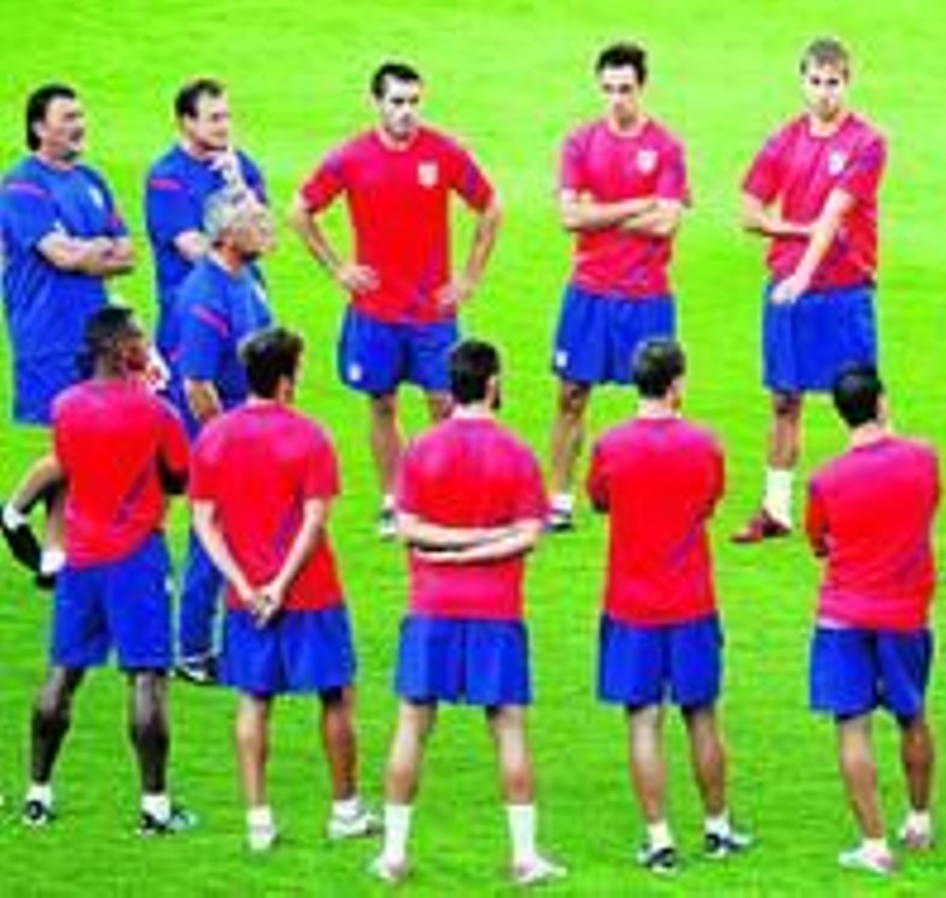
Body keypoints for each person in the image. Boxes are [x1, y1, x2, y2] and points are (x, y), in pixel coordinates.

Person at [371, 340, 564, 885]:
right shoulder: (516, 452)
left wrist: (453, 549)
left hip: (431, 606)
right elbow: (528, 534)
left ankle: (392, 855)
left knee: (412, 726)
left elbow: (406, 528)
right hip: (496, 611)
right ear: (493, 384)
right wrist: (482, 543)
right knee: (509, 729)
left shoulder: (422, 449)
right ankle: (524, 856)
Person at [289, 61, 503, 538]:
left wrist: (469, 278)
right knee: (381, 404)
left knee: (444, 406)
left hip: (432, 312)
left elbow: (491, 207)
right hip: (376, 311)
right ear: (377, 103)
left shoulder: (443, 152)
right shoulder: (351, 157)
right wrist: (338, 268)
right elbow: (299, 211)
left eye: (414, 102)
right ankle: (394, 499)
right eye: (397, 102)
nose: (407, 112)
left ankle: (443, 500)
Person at [189, 326, 378, 851]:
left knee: (253, 700)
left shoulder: (215, 436)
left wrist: (244, 583)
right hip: (311, 592)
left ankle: (259, 822)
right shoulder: (309, 436)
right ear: (286, 379)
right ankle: (345, 812)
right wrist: (280, 583)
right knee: (336, 695)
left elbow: (204, 522)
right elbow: (314, 521)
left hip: (245, 597)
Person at [21, 305, 194, 835]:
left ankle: (37, 795)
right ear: (120, 349)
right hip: (136, 558)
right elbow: (180, 478)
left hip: (81, 556)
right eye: (139, 337)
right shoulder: (157, 412)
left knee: (63, 673)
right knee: (147, 676)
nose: (147, 344)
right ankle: (155, 808)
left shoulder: (65, 407)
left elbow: (68, 470)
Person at [587, 338, 751, 874]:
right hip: (691, 603)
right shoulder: (704, 444)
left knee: (643, 721)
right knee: (702, 716)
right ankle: (718, 828)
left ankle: (659, 840)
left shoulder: (611, 445)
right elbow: (708, 502)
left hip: (630, 606)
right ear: (677, 382)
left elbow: (600, 500)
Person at [732, 37, 887, 543]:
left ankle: (874, 505)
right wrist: (796, 236)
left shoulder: (867, 144)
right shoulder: (783, 140)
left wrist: (804, 271)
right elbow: (748, 212)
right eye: (816, 82)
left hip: (843, 287)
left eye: (833, 82)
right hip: (787, 288)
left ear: (848, 83)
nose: (824, 92)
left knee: (861, 398)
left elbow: (836, 213)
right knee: (784, 398)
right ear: (802, 82)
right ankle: (776, 510)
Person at [547, 41, 689, 533]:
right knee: (570, 395)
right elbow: (569, 217)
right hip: (589, 292)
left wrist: (598, 213)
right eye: (608, 89)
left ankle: (660, 499)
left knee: (662, 401)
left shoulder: (667, 147)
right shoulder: (579, 143)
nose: (616, 99)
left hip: (647, 295)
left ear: (642, 87)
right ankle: (559, 501)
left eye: (625, 89)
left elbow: (666, 223)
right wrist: (637, 205)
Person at [805, 364, 940, 875]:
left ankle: (875, 844)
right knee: (912, 715)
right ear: (882, 402)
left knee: (852, 726)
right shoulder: (922, 458)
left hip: (844, 614)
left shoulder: (826, 479)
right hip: (905, 613)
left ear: (840, 413)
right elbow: (928, 507)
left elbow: (818, 541)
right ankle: (920, 820)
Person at [1, 84, 135, 587]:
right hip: (47, 331)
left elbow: (128, 254)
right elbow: (60, 255)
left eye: (81, 115)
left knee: (82, 438)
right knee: (74, 442)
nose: (79, 125)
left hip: (95, 331)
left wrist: (89, 252)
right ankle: (14, 511)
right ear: (40, 127)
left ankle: (55, 557)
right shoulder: (23, 186)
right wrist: (92, 251)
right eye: (67, 117)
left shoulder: (91, 180)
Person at [171, 192, 276, 684]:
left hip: (251, 427)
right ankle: (192, 651)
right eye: (256, 221)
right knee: (211, 539)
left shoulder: (247, 277)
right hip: (221, 440)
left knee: (245, 533)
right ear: (227, 235)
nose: (267, 226)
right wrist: (231, 444)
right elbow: (197, 385)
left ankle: (236, 638)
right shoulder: (205, 297)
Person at [144, 76, 268, 414]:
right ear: (187, 122)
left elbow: (264, 235)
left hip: (246, 304)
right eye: (214, 118)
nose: (224, 126)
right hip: (194, 314)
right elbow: (193, 248)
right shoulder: (168, 178)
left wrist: (238, 185)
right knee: (196, 412)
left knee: (250, 412)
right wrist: (239, 239)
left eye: (227, 116)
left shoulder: (241, 168)